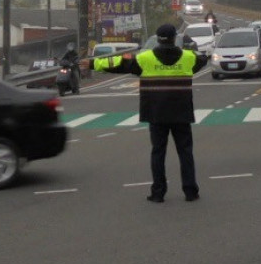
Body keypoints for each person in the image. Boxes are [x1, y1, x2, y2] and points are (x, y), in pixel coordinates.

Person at [89, 23, 209, 203]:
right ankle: (190, 191)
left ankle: (158, 192)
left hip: (156, 113)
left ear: (158, 39)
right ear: (175, 38)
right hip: (181, 113)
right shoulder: (188, 58)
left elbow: (119, 64)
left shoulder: (145, 58)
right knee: (185, 152)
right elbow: (203, 59)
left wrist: (92, 63)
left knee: (158, 153)